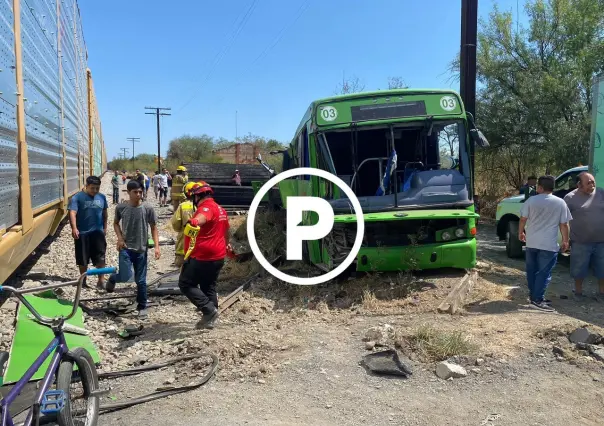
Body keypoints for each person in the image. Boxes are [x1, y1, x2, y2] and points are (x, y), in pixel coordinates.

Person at [178, 181, 230, 329]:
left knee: (186, 283)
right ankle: (211, 319)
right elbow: (227, 231)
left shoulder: (206, 207)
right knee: (209, 286)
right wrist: (226, 245)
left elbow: (203, 217)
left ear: (197, 196)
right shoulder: (221, 210)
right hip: (218, 256)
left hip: (204, 256)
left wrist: (194, 220)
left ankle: (209, 310)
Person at [106, 180, 160, 318]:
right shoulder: (121, 208)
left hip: (141, 249)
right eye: (135, 192)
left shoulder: (148, 209)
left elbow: (154, 227)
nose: (138, 194)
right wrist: (119, 238)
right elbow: (116, 224)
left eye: (140, 192)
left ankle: (142, 306)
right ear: (128, 192)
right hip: (125, 248)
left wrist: (157, 247)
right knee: (125, 277)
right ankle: (113, 278)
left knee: (141, 281)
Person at [518, 175, 572, 312]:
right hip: (548, 244)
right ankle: (537, 300)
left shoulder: (531, 200)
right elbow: (564, 224)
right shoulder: (560, 203)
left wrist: (521, 232)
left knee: (532, 271)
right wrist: (566, 240)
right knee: (543, 273)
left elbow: (523, 219)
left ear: (540, 187)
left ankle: (534, 296)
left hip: (532, 242)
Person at [563, 172, 604, 298]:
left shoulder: (601, 193)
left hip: (601, 241)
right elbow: (563, 220)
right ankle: (578, 292)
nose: (592, 185)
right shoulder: (570, 198)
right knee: (579, 269)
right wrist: (566, 239)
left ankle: (602, 293)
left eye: (593, 181)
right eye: (588, 183)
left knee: (602, 269)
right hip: (580, 241)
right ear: (579, 185)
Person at [68, 175, 108, 290]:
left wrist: (105, 227)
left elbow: (105, 213)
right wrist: (74, 228)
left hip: (98, 233)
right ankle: (83, 281)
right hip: (83, 233)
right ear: (86, 186)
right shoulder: (77, 198)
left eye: (97, 188)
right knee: (83, 258)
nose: (95, 191)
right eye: (92, 188)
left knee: (101, 257)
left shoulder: (102, 197)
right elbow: (72, 213)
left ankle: (101, 281)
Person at [171, 181, 199, 267]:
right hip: (199, 245)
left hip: (184, 244)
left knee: (182, 270)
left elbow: (175, 224)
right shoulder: (202, 206)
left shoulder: (183, 206)